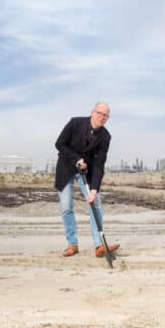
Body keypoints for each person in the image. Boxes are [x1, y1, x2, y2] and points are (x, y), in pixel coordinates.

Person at [54, 102, 120, 258]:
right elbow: (60, 144)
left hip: (86, 172)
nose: (102, 117)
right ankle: (72, 244)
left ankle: (99, 246)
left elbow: (99, 164)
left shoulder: (105, 136)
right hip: (66, 167)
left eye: (105, 116)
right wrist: (76, 159)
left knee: (95, 202)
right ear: (92, 112)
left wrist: (94, 189)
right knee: (66, 207)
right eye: (99, 113)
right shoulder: (75, 123)